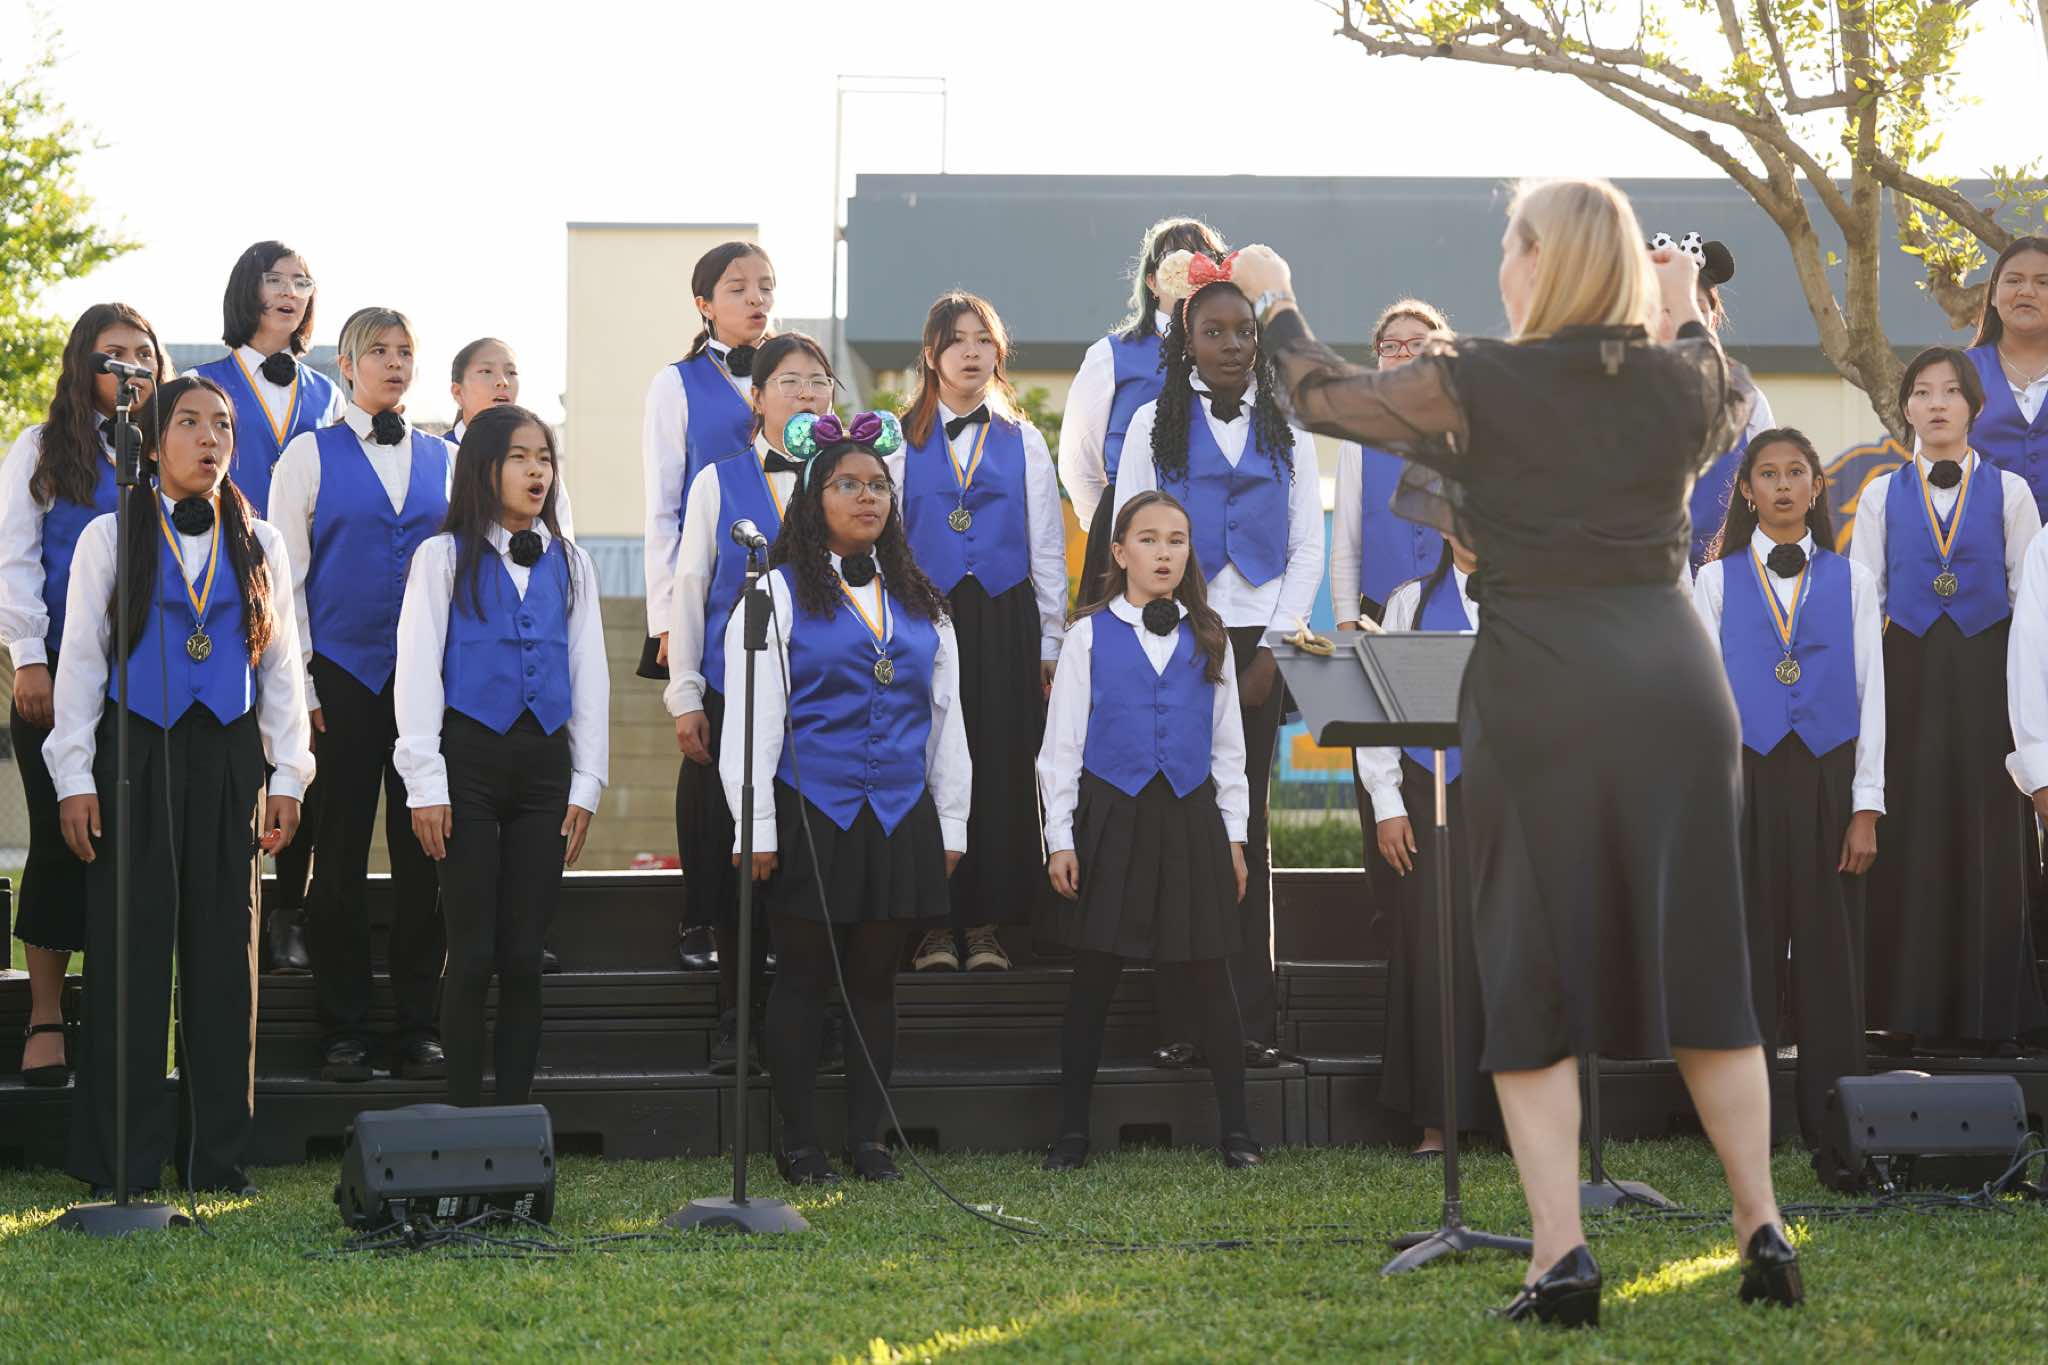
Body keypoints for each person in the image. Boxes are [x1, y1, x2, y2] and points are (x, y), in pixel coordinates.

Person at [1235, 176, 1802, 1324]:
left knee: (1527, 965)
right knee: (1705, 962)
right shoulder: (1679, 379)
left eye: (1509, 243)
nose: (1500, 263)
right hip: (1675, 686)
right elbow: (1724, 387)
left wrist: (1274, 296)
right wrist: (1679, 305)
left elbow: (1324, 396)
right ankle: (1762, 1229)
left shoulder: (1477, 378)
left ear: (1538, 259)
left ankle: (1561, 1257)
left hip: (1540, 686)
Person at [48, 374, 312, 1194]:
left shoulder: (261, 541)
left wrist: (289, 771)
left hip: (229, 754)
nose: (209, 438)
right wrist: (73, 775)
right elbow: (80, 663)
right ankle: (120, 1156)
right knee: (129, 953)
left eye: (222, 424)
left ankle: (215, 1157)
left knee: (224, 958)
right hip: (135, 749)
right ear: (152, 441)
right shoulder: (110, 535)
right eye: (190, 423)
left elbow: (281, 666)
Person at [722, 411, 967, 1187]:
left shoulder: (924, 601)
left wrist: (951, 821)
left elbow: (946, 721)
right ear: (813, 499)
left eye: (879, 486)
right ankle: (799, 1142)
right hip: (811, 810)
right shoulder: (773, 590)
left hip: (898, 812)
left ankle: (869, 1140)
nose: (868, 497)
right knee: (801, 977)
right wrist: (756, 826)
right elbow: (753, 718)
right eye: (848, 484)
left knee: (874, 982)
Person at [1112, 248, 1322, 1070]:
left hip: (1260, 641)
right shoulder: (1150, 424)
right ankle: (1179, 1022)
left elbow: (1307, 547)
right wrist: (1155, 635)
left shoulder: (1289, 428)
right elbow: (1131, 531)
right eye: (1214, 330)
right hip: (1177, 636)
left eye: (1244, 330)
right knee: (1177, 822)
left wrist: (1273, 647)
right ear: (1186, 339)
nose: (1232, 343)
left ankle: (1249, 1022)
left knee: (1247, 828)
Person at [1038, 491, 1258, 1171]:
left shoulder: (1211, 635)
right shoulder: (1086, 636)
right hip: (1113, 814)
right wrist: (1060, 837)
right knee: (1093, 978)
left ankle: (1238, 1131)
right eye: (1149, 539)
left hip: (1192, 818)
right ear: (1120, 551)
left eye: (1177, 540)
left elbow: (1229, 749)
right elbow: (1060, 747)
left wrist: (1234, 836)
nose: (1164, 553)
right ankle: (1071, 1132)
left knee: (1212, 976)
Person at [395, 404, 607, 1107]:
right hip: (467, 765)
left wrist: (587, 782)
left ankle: (515, 1118)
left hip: (545, 770)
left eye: (544, 457)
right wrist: (425, 782)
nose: (536, 471)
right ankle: (462, 1116)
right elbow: (417, 670)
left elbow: (591, 674)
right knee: (473, 952)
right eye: (520, 457)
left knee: (523, 956)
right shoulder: (441, 557)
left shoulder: (573, 564)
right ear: (484, 468)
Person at [269, 307, 451, 1084]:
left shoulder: (448, 458)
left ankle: (419, 1026)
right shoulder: (306, 455)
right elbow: (282, 583)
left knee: (426, 859)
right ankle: (342, 1027)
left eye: (405, 350)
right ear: (345, 365)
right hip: (338, 682)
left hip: (428, 688)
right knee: (337, 860)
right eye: (378, 350)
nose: (394, 361)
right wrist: (304, 681)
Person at [1851, 347, 2047, 1050]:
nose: (1936, 404)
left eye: (1950, 392)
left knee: (1987, 833)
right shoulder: (1878, 496)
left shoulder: (2013, 492)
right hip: (1906, 678)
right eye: (1923, 392)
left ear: (1974, 406)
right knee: (1911, 832)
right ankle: (1903, 1011)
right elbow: (1861, 604)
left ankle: (1993, 1015)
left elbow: (2031, 605)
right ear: (1905, 406)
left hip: (1989, 679)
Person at [1692, 429, 1882, 1155]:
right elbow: (1702, 703)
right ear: (1746, 491)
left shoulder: (1853, 579)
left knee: (1831, 953)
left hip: (1829, 779)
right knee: (1750, 953)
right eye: (1767, 474)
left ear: (1815, 486)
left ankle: (1837, 1114)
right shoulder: (1715, 582)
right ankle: (1746, 1120)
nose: (1781, 485)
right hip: (1745, 780)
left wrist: (1866, 806)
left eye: (1795, 471)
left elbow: (1872, 696)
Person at [0, 303, 166, 1087]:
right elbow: (16, 559)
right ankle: (45, 1014)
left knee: (133, 854)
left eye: (144, 352)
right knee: (60, 841)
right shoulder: (41, 447)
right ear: (83, 363)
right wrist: (27, 660)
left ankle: (119, 1019)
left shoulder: (170, 446)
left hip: (151, 685)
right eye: (114, 352)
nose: (131, 365)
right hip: (58, 678)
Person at [665, 332, 832, 1068]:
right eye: (788, 381)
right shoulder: (717, 479)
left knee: (811, 866)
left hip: (824, 704)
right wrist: (685, 694)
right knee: (740, 859)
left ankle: (813, 1020)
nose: (806, 393)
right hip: (733, 691)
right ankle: (736, 1019)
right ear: (756, 399)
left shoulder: (852, 477)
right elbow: (690, 587)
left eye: (818, 381)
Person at [891, 292, 1066, 973]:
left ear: (999, 353)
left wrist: (1050, 641)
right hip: (922, 618)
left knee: (998, 762)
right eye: (957, 339)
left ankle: (987, 925)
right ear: (930, 353)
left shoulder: (1026, 441)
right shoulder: (895, 439)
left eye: (984, 340)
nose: (971, 352)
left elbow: (1046, 546)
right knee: (926, 761)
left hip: (1003, 619)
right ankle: (932, 925)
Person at [192, 241, 343, 976]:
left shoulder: (330, 395)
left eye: (301, 281)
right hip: (216, 585)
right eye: (274, 278)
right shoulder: (201, 384)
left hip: (307, 590)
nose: (289, 291)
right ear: (246, 290)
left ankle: (291, 911)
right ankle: (225, 903)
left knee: (298, 743)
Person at [642, 241, 776, 971]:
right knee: (705, 758)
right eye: (738, 287)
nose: (756, 299)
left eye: (766, 286)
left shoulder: (797, 371)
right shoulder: (677, 383)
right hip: (707, 594)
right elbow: (662, 505)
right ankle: (700, 917)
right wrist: (667, 618)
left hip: (789, 601)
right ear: (704, 304)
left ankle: (765, 920)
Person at [1355, 536, 1498, 1158]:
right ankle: (1437, 1121)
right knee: (1433, 950)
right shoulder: (1410, 603)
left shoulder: (1539, 598)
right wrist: (1387, 802)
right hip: (1428, 794)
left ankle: (1515, 1117)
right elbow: (1378, 709)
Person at [1059, 216, 1227, 604]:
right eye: (1175, 259)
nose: (1189, 268)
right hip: (1127, 535)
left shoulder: (1236, 355)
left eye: (1202, 257)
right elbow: (1078, 464)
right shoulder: (1110, 355)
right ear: (1152, 280)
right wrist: (1119, 526)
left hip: (1214, 539)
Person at [1641, 234, 1779, 571]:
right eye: (1669, 309)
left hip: (1728, 571)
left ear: (1713, 320)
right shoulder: (1625, 391)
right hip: (1645, 574)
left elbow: (1771, 488)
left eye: (1698, 309)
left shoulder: (1747, 399)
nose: (1684, 320)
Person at [446, 337, 575, 545]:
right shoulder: (437, 458)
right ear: (457, 391)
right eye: (486, 371)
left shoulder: (540, 469)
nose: (503, 382)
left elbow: (562, 547)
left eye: (511, 373)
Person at [1965, 236, 2048, 519]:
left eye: (2043, 282)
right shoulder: (1958, 372)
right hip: (1980, 537)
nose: (2027, 291)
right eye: (2014, 280)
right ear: (1992, 294)